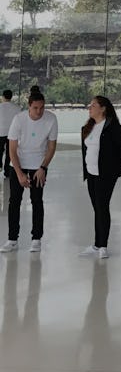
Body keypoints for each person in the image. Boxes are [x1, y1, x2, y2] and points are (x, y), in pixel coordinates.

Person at [1, 87, 58, 253]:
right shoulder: (19, 119)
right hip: (18, 162)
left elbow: (51, 147)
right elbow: (12, 148)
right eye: (35, 108)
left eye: (42, 107)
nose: (39, 111)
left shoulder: (51, 119)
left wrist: (43, 168)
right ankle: (12, 239)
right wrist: (19, 173)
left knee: (37, 201)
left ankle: (36, 238)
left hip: (39, 165)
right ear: (29, 106)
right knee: (14, 202)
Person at [79, 96, 121, 259]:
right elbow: (86, 150)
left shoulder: (111, 126)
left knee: (102, 207)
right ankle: (96, 244)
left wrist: (116, 168)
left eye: (93, 105)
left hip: (105, 175)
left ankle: (103, 246)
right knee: (97, 209)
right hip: (91, 173)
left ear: (103, 108)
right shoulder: (88, 127)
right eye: (90, 105)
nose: (90, 107)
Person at [0, 89, 20, 179]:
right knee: (10, 152)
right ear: (11, 97)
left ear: (3, 97)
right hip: (12, 134)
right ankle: (7, 172)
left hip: (0, 132)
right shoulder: (17, 108)